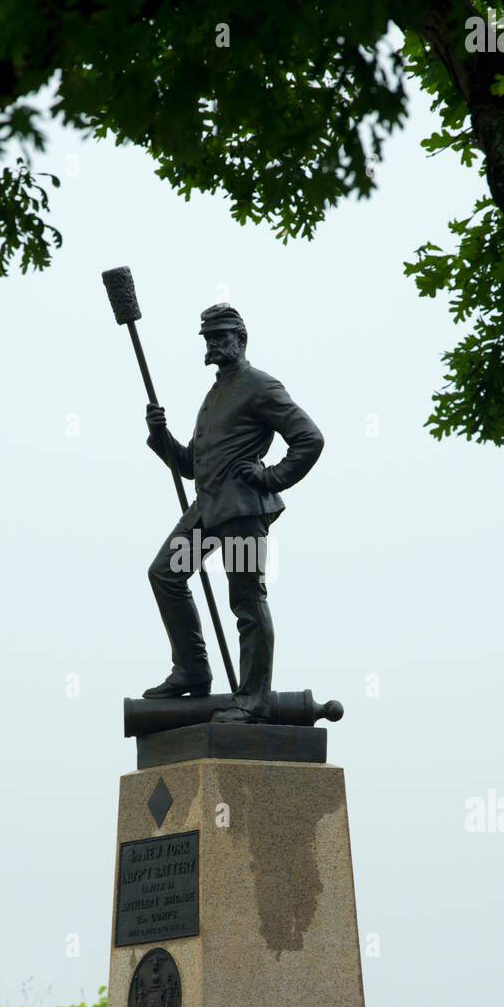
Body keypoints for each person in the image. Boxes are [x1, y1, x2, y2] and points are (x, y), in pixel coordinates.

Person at [143, 303, 324, 723]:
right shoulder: (215, 393)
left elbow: (309, 439)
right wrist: (160, 437)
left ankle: (254, 698)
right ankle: (192, 669)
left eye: (221, 336)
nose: (213, 344)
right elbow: (191, 466)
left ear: (241, 339)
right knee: (165, 574)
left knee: (246, 601)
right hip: (206, 511)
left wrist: (271, 477)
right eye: (208, 338)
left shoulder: (260, 386)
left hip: (241, 513)